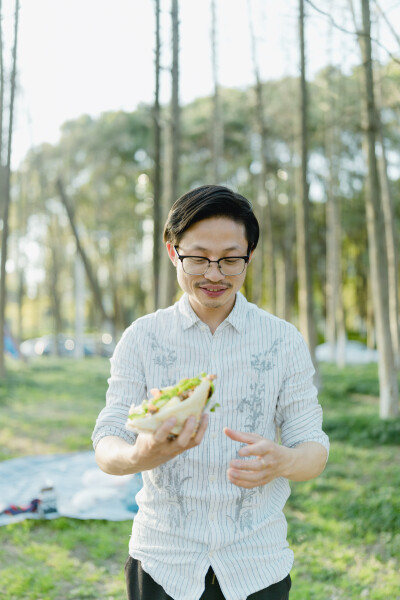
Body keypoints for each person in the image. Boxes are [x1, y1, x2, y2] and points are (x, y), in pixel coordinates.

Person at [92, 184, 329, 600]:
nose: (214, 274)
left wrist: (283, 461)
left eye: (231, 259)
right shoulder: (143, 338)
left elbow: (313, 448)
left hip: (257, 563)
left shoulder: (283, 340)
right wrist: (138, 456)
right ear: (172, 251)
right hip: (163, 562)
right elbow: (107, 439)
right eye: (198, 258)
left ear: (250, 256)